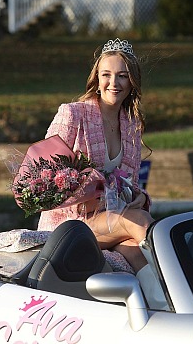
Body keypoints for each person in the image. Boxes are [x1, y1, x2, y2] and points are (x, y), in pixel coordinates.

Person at [38, 38, 154, 275]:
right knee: (140, 222)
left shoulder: (132, 124)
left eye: (122, 75)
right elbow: (41, 180)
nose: (114, 83)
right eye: (106, 75)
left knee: (137, 253)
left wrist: (140, 198)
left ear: (132, 82)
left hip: (111, 219)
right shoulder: (72, 114)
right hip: (71, 226)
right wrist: (84, 194)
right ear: (97, 79)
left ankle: (164, 306)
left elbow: (129, 182)